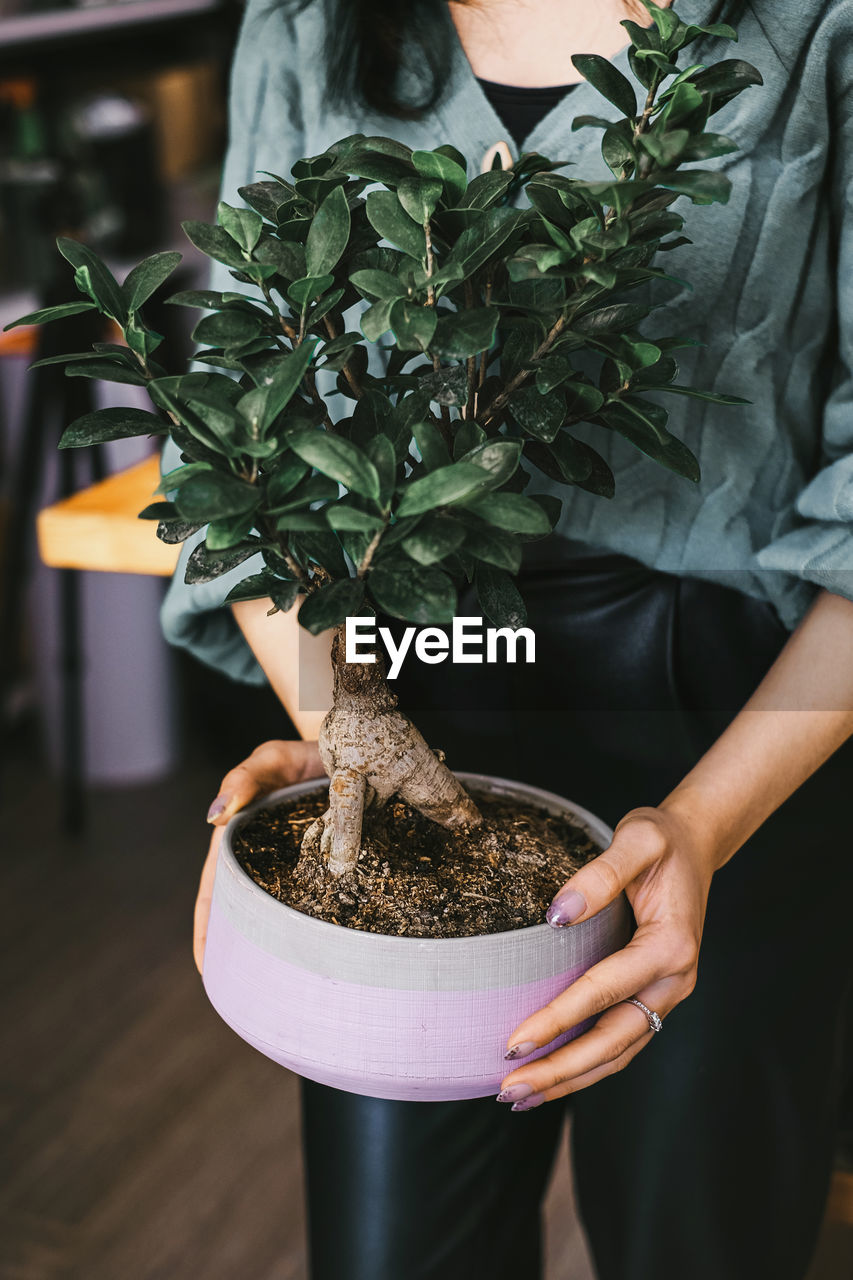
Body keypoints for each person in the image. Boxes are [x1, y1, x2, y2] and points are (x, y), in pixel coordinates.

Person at [160, 1, 853, 1277]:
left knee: (699, 1239)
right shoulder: (310, 24)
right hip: (418, 693)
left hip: (731, 737)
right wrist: (343, 733)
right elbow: (231, 459)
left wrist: (699, 826)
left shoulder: (818, 28)